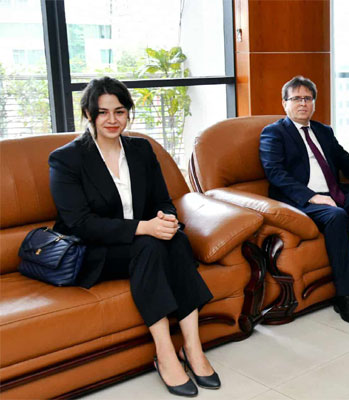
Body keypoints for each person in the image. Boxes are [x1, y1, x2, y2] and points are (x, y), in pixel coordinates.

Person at [49, 77, 220, 397]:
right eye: (102, 112)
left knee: (176, 239)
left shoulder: (141, 149)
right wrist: (144, 228)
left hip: (144, 242)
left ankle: (193, 348)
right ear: (88, 114)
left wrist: (166, 218)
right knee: (150, 245)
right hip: (96, 251)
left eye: (119, 111)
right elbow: (80, 224)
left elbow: (163, 200)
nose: (112, 120)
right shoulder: (67, 159)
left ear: (128, 112)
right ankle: (165, 353)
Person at [259, 75, 349, 326]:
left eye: (307, 98)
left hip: (336, 194)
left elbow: (348, 162)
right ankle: (345, 295)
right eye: (296, 98)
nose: (303, 103)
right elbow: (275, 173)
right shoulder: (274, 133)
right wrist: (311, 196)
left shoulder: (323, 131)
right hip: (301, 202)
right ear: (285, 103)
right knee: (337, 216)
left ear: (314, 103)